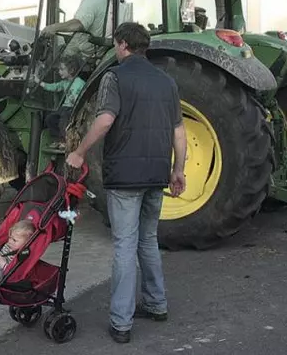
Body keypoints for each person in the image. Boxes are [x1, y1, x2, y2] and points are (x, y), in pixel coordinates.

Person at [65, 22, 187, 344]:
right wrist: (179, 170)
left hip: (124, 177)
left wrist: (79, 152)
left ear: (121, 45)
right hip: (157, 174)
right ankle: (156, 303)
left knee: (124, 245)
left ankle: (121, 322)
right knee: (147, 240)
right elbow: (178, 131)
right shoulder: (166, 82)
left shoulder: (114, 76)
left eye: (115, 45)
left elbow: (105, 120)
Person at [39, 0, 113, 65]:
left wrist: (53, 27)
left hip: (88, 58)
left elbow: (78, 24)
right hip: (96, 51)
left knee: (54, 63)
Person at [38, 55, 86, 149]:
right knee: (50, 119)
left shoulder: (80, 83)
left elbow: (83, 97)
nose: (59, 72)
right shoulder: (64, 83)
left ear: (71, 70)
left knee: (64, 121)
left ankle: (67, 141)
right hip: (64, 108)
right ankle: (58, 140)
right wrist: (39, 82)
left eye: (62, 69)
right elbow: (53, 87)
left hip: (73, 108)